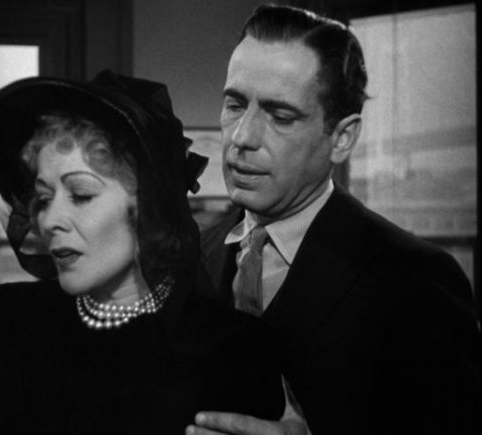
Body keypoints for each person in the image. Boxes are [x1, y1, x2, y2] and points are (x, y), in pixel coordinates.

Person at [187, 4, 480, 435]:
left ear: (342, 138)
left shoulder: (415, 280)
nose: (242, 137)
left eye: (280, 116)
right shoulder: (195, 254)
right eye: (235, 104)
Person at [0, 71, 289, 434]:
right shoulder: (6, 320)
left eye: (81, 195)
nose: (50, 220)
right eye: (43, 198)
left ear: (149, 203)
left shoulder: (236, 350)